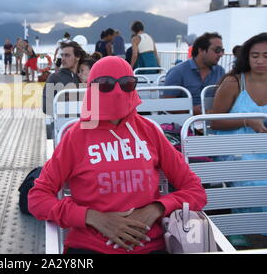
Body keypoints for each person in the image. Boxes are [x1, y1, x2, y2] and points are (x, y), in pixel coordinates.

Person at [30, 56, 207, 254]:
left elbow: (195, 190)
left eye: (126, 84)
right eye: (104, 85)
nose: (116, 92)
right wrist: (94, 218)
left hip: (150, 245)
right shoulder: (76, 136)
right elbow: (38, 198)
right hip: (90, 246)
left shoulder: (149, 131)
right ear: (91, 88)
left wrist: (156, 209)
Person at [210, 32, 267, 247]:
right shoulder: (234, 82)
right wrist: (248, 121)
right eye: (255, 56)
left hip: (265, 145)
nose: (260, 61)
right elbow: (214, 122)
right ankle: (246, 227)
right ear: (247, 57)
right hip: (236, 146)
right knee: (258, 180)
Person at [164, 32, 226, 115]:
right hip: (185, 122)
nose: (221, 54)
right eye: (217, 50)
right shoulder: (177, 72)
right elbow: (167, 105)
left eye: (222, 50)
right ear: (201, 50)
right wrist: (191, 110)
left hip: (212, 121)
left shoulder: (220, 72)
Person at [42, 41, 85, 115]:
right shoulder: (54, 78)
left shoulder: (83, 77)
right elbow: (46, 108)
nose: (63, 59)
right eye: (62, 55)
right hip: (64, 124)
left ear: (77, 57)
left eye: (67, 55)